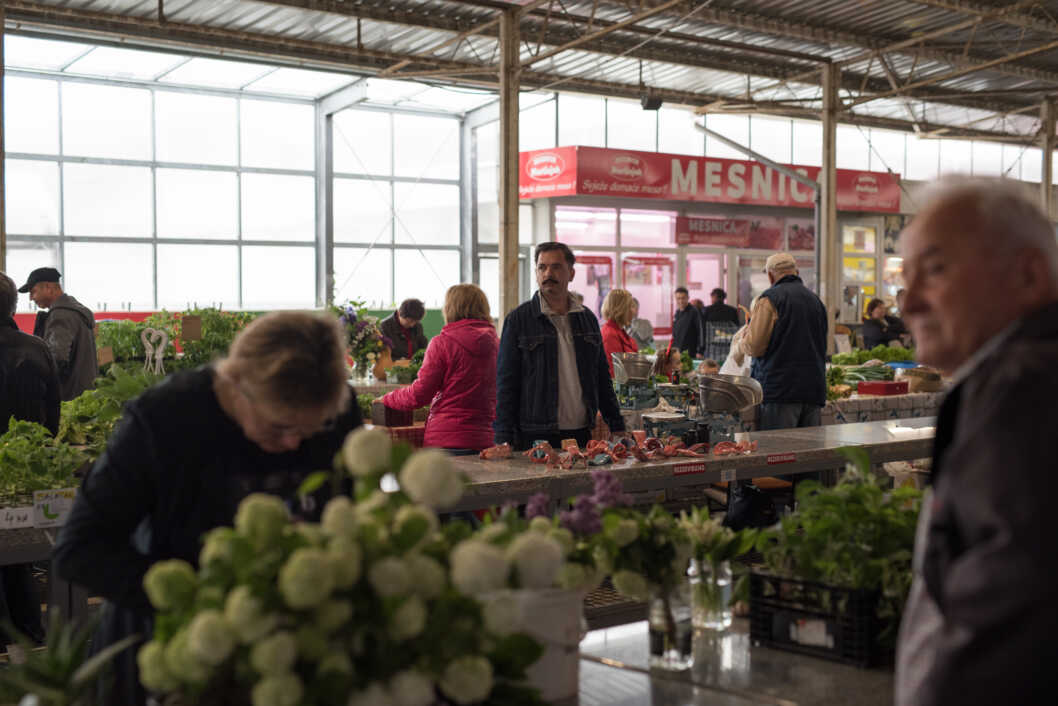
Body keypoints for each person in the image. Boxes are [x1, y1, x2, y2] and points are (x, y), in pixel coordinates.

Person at [52, 312, 363, 706]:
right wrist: (200, 599)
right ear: (236, 384)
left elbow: (351, 515)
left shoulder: (333, 408)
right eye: (279, 427)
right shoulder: (165, 419)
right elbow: (78, 550)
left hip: (286, 654)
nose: (293, 445)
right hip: (173, 653)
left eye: (310, 430)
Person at [895, 179, 1058, 706]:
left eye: (936, 269)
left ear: (1028, 274)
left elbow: (1013, 611)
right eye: (906, 275)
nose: (909, 302)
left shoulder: (1024, 390)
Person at [495, 242, 625, 450]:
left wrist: (616, 424)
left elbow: (601, 377)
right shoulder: (519, 320)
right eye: (542, 267)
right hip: (534, 434)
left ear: (571, 273)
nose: (548, 273)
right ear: (536, 273)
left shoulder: (588, 319)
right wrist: (503, 437)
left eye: (556, 267)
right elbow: (506, 383)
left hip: (581, 434)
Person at [0, 272, 61, 647]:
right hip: (26, 473)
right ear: (14, 305)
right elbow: (52, 416)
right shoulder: (37, 347)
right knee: (19, 554)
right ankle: (27, 631)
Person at [379, 284, 498, 454]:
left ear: (450, 308)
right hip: (487, 441)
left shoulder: (442, 343)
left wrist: (388, 398)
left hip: (446, 440)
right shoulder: (498, 343)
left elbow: (419, 395)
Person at [734, 252, 827, 430]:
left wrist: (742, 340)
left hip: (781, 390)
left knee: (780, 453)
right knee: (810, 452)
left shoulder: (770, 299)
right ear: (796, 272)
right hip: (814, 389)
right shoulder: (816, 301)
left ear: (770, 275)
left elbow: (755, 346)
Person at [18, 267, 96, 401]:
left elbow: (56, 358)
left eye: (33, 292)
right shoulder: (76, 311)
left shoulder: (60, 315)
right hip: (84, 394)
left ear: (48, 287)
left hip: (68, 397)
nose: (31, 298)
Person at [600, 288, 638, 376]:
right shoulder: (610, 335)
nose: (634, 311)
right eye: (631, 306)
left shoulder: (619, 331)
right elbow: (614, 374)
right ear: (621, 309)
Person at [671, 286, 703, 357]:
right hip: (678, 352)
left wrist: (700, 351)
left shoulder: (694, 312)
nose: (681, 301)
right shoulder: (677, 313)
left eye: (683, 298)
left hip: (691, 352)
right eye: (678, 298)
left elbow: (700, 331)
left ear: (688, 298)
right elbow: (675, 335)